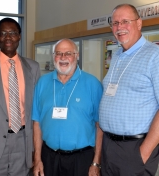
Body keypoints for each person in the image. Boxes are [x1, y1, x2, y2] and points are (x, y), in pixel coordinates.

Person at [99, 4, 159, 176]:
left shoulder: (154, 56)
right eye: (115, 23)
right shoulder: (117, 56)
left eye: (125, 21)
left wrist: (144, 152)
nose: (119, 27)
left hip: (134, 148)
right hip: (109, 145)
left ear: (139, 23)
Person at [32, 38, 103, 176]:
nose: (63, 58)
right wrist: (37, 159)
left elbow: (100, 126)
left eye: (68, 53)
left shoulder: (93, 84)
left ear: (77, 56)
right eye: (58, 53)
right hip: (49, 158)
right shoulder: (42, 83)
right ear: (53, 57)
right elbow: (36, 123)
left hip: (81, 159)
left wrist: (96, 162)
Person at [0, 18, 40, 176]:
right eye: (3, 33)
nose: (8, 37)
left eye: (13, 33)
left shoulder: (33, 68)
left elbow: (36, 110)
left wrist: (36, 151)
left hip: (23, 143)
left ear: (20, 36)